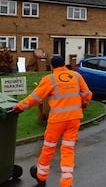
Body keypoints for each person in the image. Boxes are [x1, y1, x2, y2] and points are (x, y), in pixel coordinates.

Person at [12, 55, 92, 187]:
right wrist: (83, 104)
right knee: (68, 149)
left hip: (57, 120)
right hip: (74, 119)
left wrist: (19, 107)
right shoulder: (76, 76)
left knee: (49, 147)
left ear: (51, 67)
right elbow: (87, 95)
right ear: (65, 64)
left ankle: (41, 175)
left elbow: (35, 97)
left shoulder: (49, 79)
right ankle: (66, 182)